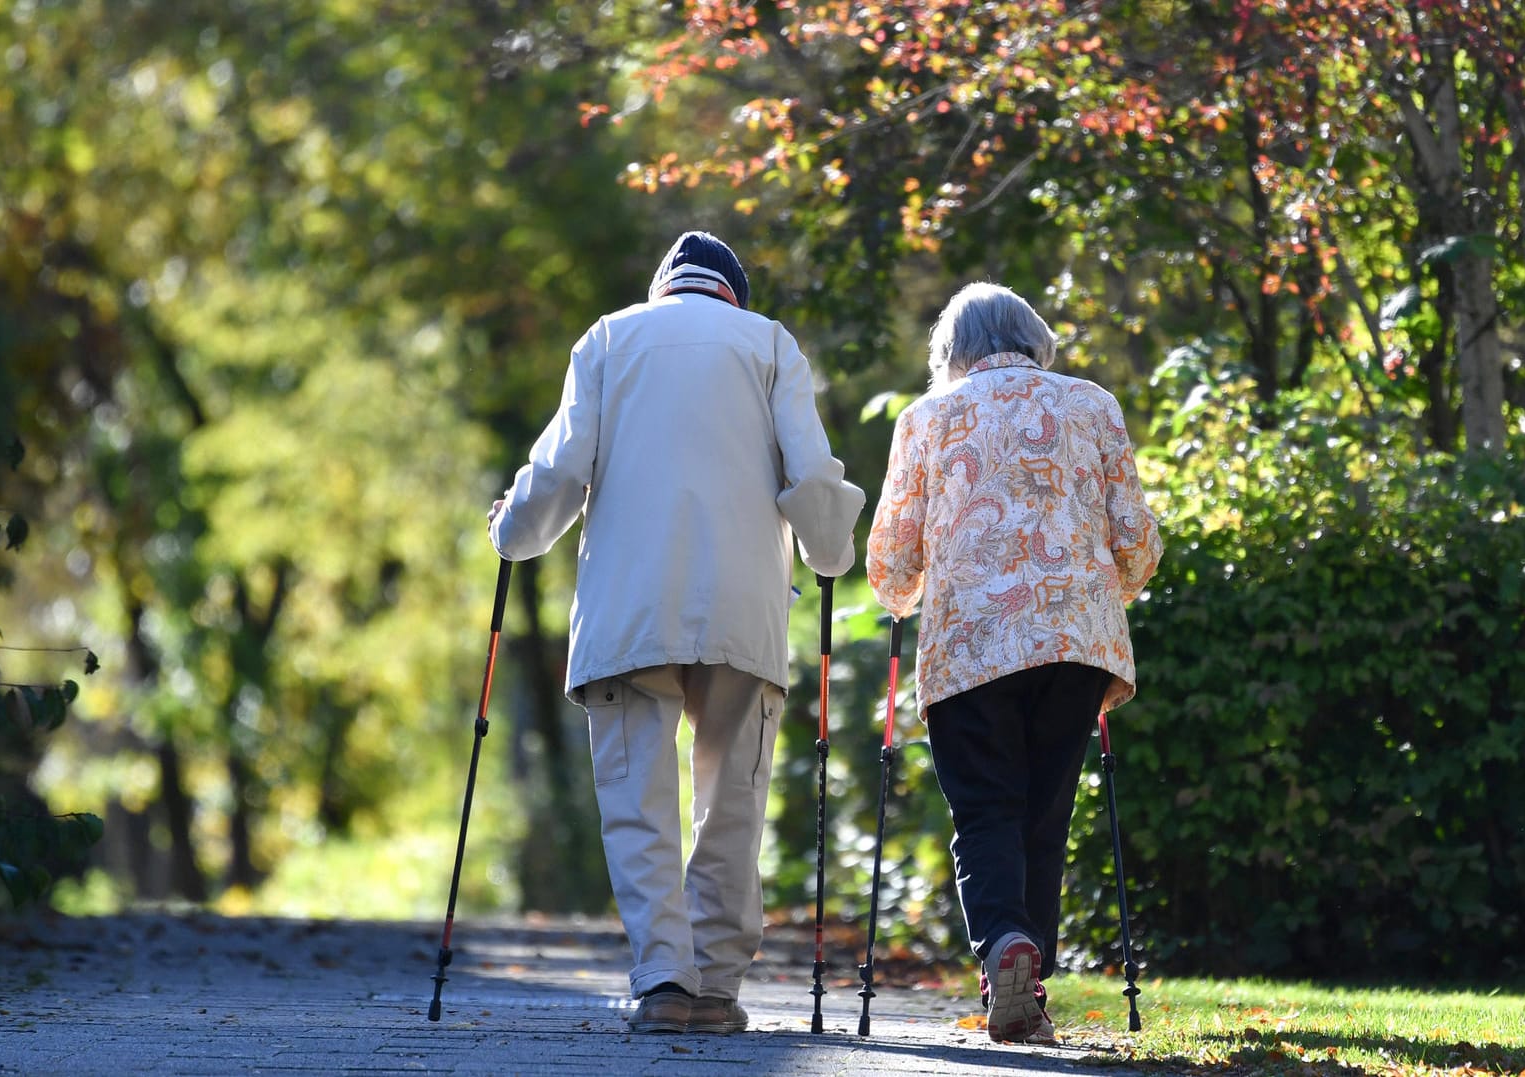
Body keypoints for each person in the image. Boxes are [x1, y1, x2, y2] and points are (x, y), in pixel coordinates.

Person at [486, 231, 864, 1035]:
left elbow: (557, 471)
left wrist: (510, 534)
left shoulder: (608, 337)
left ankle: (663, 979)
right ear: (734, 293)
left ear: (664, 288)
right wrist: (832, 551)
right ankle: (718, 986)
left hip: (631, 602)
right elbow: (809, 470)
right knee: (733, 794)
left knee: (637, 796)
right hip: (742, 602)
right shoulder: (767, 344)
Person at [865, 281, 1161, 1045]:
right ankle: (1029, 983)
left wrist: (902, 595)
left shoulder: (926, 417)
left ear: (949, 352)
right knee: (1044, 809)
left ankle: (1006, 948)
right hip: (1075, 641)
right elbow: (1134, 537)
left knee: (985, 807)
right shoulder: (1091, 403)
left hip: (970, 643)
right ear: (1034, 337)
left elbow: (893, 560)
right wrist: (1106, 586)